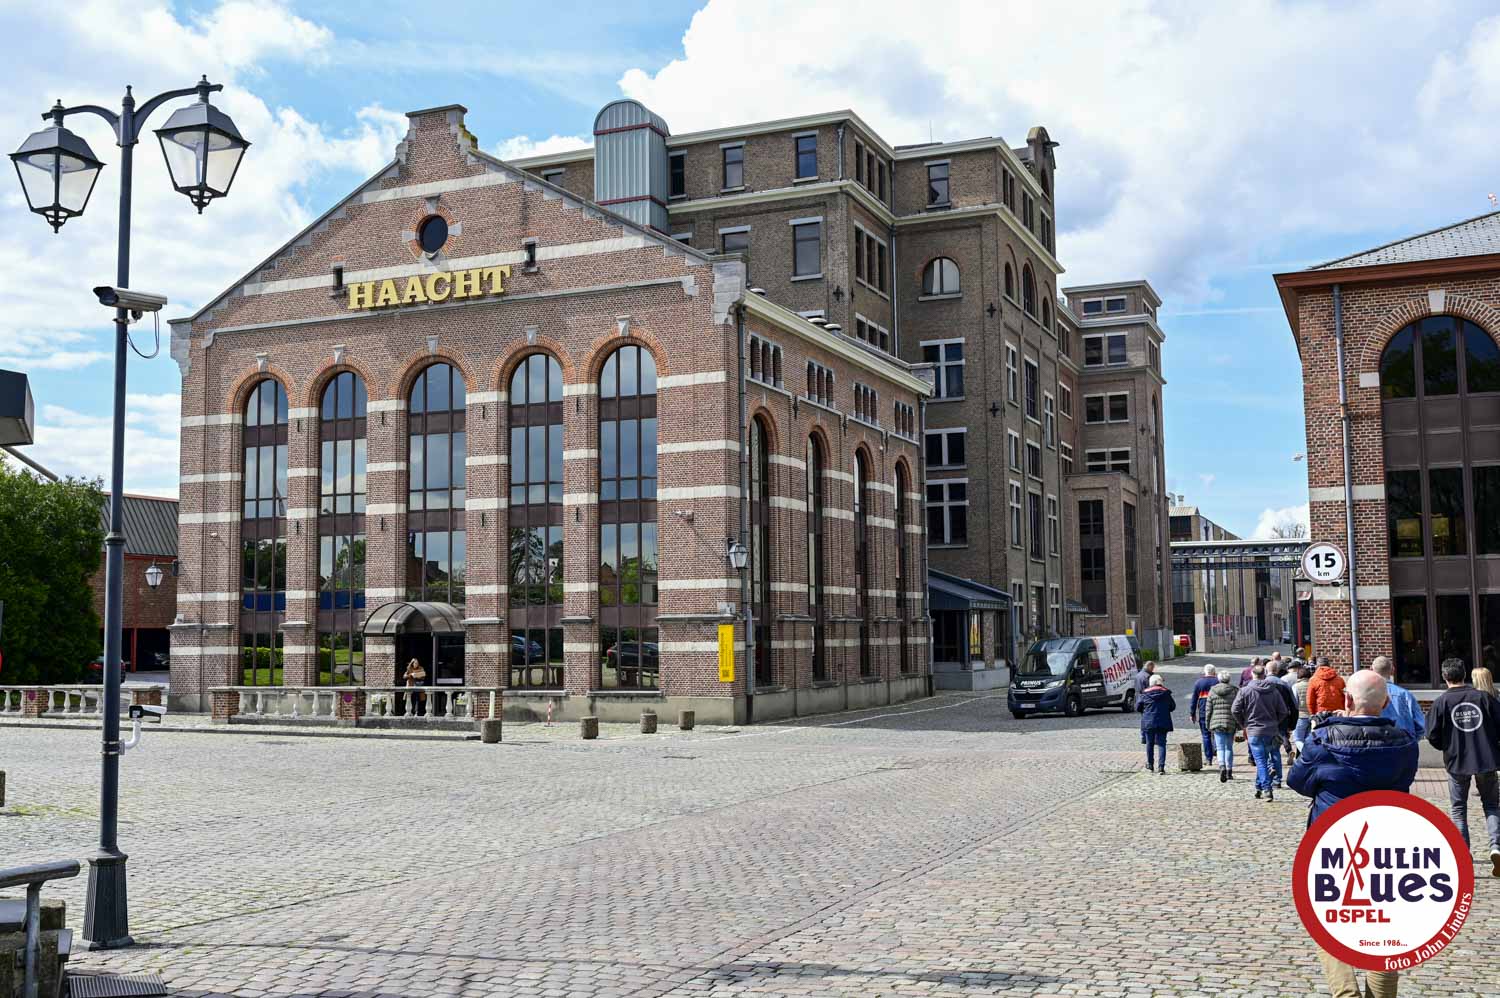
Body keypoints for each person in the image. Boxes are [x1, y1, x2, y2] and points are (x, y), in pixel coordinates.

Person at [1288, 669, 1418, 998]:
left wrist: (1323, 730)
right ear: (1385, 703)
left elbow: (1297, 781)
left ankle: (1346, 993)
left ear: (1346, 699)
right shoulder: (1405, 742)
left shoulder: (1324, 740)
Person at [1426, 658, 1500, 878]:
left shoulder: (1441, 702)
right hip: (1486, 760)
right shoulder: (1483, 698)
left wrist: (1447, 747)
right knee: (1491, 805)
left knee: (1458, 809)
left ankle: (1462, 853)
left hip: (1456, 762)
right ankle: (1496, 846)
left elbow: (1431, 734)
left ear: (1444, 677)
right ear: (1464, 674)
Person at [1232, 663, 1290, 801]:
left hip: (1254, 730)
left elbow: (1234, 710)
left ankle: (1266, 789)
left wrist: (1243, 723)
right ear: (1264, 675)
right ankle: (1258, 787)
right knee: (1263, 760)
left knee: (1261, 761)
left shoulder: (1245, 691)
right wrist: (1275, 722)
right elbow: (1283, 711)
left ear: (1253, 675)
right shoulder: (1274, 690)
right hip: (1271, 731)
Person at [1371, 655, 1425, 741]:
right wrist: (1411, 742)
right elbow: (1420, 725)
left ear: (1372, 670)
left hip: (1376, 745)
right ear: (1392, 670)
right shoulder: (1405, 695)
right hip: (1404, 745)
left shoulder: (1366, 695)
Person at [1137, 673, 1176, 775]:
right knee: (1162, 744)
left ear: (1151, 683)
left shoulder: (1144, 694)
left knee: (1149, 743)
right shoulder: (1166, 693)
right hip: (1163, 721)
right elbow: (1172, 706)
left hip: (1148, 722)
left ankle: (1150, 765)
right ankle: (1161, 767)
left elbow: (1138, 707)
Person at [1206, 667, 1240, 782]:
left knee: (1220, 747)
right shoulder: (1235, 691)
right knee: (1229, 747)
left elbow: (1208, 709)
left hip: (1216, 722)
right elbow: (1238, 708)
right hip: (1230, 722)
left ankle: (1222, 766)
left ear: (1219, 679)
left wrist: (1208, 723)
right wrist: (1239, 724)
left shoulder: (1212, 690)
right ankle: (1229, 771)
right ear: (1229, 679)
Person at [1189, 662, 1219, 766]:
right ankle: (1218, 753)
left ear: (1204, 672)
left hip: (1203, 711)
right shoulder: (1218, 681)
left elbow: (1194, 699)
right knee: (1217, 733)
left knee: (1206, 735)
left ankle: (1208, 758)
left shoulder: (1199, 682)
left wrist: (1192, 713)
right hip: (1216, 711)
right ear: (1214, 672)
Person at [1291, 664, 1314, 755]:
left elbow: (1295, 703)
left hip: (1300, 716)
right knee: (1308, 739)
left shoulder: (1296, 686)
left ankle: (1307, 754)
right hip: (1312, 715)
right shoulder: (1313, 685)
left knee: (1298, 739)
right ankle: (1309, 754)